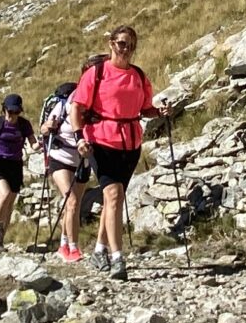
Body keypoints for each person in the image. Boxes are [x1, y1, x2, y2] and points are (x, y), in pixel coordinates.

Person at [69, 26, 174, 277]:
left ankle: (99, 250)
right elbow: (77, 107)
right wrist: (78, 138)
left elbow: (145, 108)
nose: (125, 49)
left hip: (130, 144)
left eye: (130, 45)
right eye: (121, 44)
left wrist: (159, 112)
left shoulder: (138, 76)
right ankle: (118, 258)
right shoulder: (97, 73)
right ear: (111, 44)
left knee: (112, 201)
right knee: (114, 196)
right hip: (101, 141)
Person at [41, 81, 89, 262]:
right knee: (72, 202)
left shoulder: (95, 107)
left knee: (72, 206)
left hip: (82, 160)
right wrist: (50, 126)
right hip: (59, 158)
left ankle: (63, 244)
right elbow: (44, 129)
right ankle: (73, 248)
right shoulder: (62, 106)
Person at [0, 93, 35, 250]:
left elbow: (33, 143)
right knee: (4, 195)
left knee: (10, 201)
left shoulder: (24, 125)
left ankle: (1, 240)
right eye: (10, 112)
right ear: (4, 109)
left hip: (15, 165)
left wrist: (41, 145)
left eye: (16, 112)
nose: (12, 115)